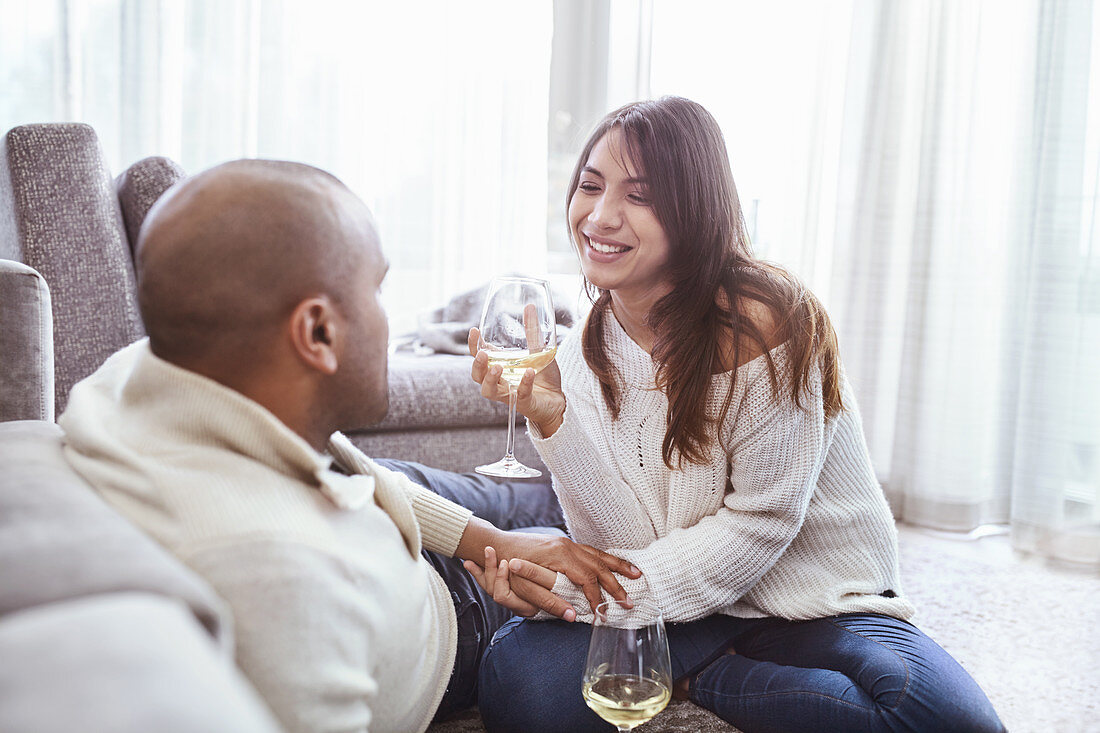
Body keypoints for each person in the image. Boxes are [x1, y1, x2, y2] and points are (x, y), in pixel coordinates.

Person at [467, 97, 1005, 732]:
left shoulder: (771, 322)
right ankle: (694, 667)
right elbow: (622, 543)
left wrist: (602, 608)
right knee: (516, 680)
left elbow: (762, 525)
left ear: (694, 208)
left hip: (809, 602)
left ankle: (697, 678)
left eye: (639, 196)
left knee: (951, 721)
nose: (600, 216)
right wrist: (555, 420)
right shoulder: (582, 351)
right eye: (590, 186)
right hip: (685, 607)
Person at [57, 159, 643, 733]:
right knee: (607, 550)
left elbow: (335, 465)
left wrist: (489, 537)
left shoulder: (137, 373)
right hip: (453, 611)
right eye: (377, 290)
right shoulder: (285, 584)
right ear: (318, 332)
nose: (390, 320)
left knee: (540, 505)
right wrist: (509, 554)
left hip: (388, 497)